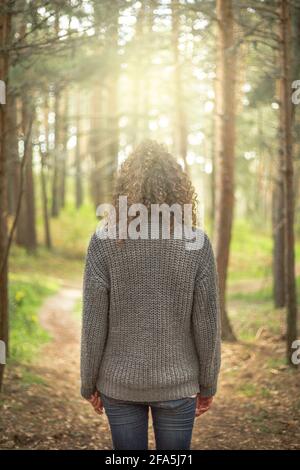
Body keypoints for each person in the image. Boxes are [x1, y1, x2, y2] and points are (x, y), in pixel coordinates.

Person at [80, 140, 221, 450]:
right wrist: (208, 383)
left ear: (123, 189)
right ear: (178, 187)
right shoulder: (195, 241)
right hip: (178, 384)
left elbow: (93, 322)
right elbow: (207, 324)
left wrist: (88, 382)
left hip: (120, 385)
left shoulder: (104, 239)